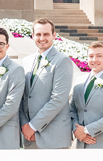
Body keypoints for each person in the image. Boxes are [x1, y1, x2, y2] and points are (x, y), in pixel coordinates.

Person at [19, 19, 74, 149]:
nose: (42, 38)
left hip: (53, 136)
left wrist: (33, 126)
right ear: (32, 36)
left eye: (46, 34)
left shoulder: (62, 61)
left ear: (54, 36)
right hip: (29, 136)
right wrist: (25, 125)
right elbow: (22, 97)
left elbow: (58, 99)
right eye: (38, 34)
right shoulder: (26, 61)